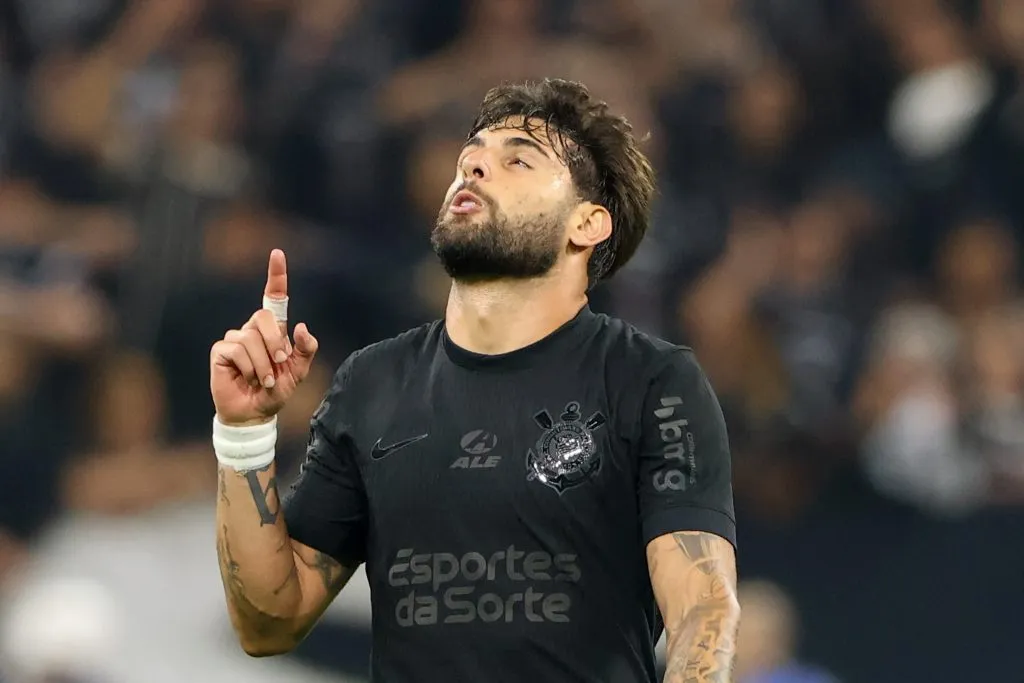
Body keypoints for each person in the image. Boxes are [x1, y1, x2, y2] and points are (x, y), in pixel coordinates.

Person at [210, 78, 739, 683]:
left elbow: (703, 612)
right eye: (471, 158)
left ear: (588, 224)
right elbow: (268, 622)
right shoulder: (372, 383)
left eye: (517, 160)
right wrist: (244, 433)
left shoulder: (650, 382)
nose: (474, 168)